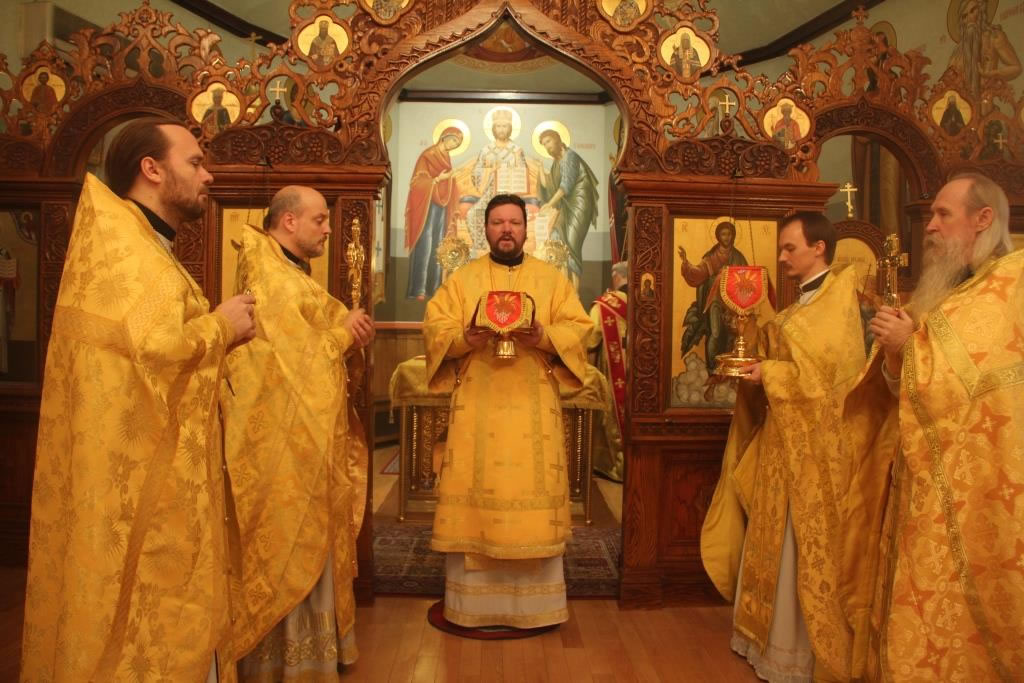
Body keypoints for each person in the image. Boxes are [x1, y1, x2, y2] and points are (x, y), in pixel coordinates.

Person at [20, 117, 256, 682]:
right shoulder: (130, 252)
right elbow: (157, 353)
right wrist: (221, 327)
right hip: (144, 484)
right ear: (151, 169)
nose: (208, 175)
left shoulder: (138, 244)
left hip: (159, 472)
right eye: (194, 162)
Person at [843, 172, 1022, 681]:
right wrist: (898, 355)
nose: (931, 226)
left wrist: (910, 347)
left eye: (944, 214)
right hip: (928, 482)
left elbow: (983, 393)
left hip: (984, 489)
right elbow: (910, 392)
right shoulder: (951, 290)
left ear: (983, 219)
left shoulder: (1011, 289)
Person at [701, 212, 866, 682]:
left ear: (819, 248)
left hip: (815, 454)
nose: (782, 256)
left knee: (798, 547)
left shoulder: (837, 302)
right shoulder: (802, 306)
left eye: (791, 247)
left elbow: (826, 380)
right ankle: (764, 639)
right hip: (782, 441)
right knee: (773, 537)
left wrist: (767, 372)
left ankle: (795, 651)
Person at [222, 186, 373, 681]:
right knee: (287, 539)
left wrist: (345, 328)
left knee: (310, 537)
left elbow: (310, 338)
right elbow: (301, 361)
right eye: (319, 219)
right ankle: (282, 660)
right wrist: (345, 332)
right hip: (280, 447)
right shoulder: (273, 278)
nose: (328, 229)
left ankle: (309, 654)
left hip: (301, 438)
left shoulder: (286, 272)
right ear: (288, 221)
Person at [423, 193, 592, 630]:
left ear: (526, 229)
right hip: (478, 405)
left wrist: (543, 337)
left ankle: (534, 608)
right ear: (485, 229)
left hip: (532, 405)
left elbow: (580, 329)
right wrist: (465, 338)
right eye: (498, 222)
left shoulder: (551, 279)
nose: (506, 230)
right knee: (477, 494)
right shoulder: (463, 280)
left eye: (514, 223)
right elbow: (436, 326)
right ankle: (474, 606)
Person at [679, 221, 748, 376]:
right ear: (718, 236)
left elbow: (747, 280)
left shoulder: (738, 257)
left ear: (733, 236)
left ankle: (729, 370)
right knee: (715, 333)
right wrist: (686, 263)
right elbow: (698, 272)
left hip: (733, 303)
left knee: (732, 335)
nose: (726, 237)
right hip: (715, 300)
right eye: (723, 234)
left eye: (729, 234)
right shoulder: (712, 256)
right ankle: (712, 369)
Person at [405, 127, 463, 300]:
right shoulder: (428, 155)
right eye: (454, 141)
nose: (454, 145)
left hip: (441, 206)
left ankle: (435, 286)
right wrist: (438, 179)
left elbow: (448, 183)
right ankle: (419, 289)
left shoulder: (446, 158)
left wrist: (451, 179)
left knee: (439, 243)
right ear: (445, 137)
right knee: (426, 242)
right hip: (426, 206)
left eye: (457, 144)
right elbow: (417, 182)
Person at [537, 129, 599, 288]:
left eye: (548, 141)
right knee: (556, 237)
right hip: (566, 207)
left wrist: (549, 204)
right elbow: (550, 187)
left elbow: (565, 186)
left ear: (557, 139)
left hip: (579, 204)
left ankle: (575, 292)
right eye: (544, 144)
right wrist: (540, 168)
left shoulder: (570, 157)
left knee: (571, 243)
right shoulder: (556, 163)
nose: (547, 146)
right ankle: (564, 286)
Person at [587, 261, 627, 482]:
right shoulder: (647, 300)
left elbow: (590, 339)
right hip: (643, 373)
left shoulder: (604, 305)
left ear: (616, 277)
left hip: (614, 370)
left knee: (612, 414)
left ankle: (617, 466)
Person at [467, 109, 526, 253]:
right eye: (498, 126)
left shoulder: (516, 150)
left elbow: (522, 174)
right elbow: (476, 173)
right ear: (494, 128)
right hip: (489, 194)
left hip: (511, 195)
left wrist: (515, 162)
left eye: (504, 126)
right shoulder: (486, 150)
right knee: (472, 214)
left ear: (510, 128)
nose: (501, 129)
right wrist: (489, 170)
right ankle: (482, 248)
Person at [944, 0, 1021, 107]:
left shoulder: (994, 37)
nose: (969, 18)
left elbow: (1016, 68)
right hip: (964, 108)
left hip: (986, 105)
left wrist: (991, 74)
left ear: (981, 10)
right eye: (964, 16)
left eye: (973, 10)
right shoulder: (958, 51)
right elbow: (948, 82)